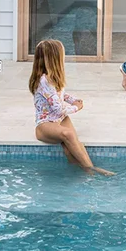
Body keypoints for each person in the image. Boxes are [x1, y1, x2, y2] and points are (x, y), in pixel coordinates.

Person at [29, 38, 114, 176]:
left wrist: (73, 100)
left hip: (59, 119)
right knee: (67, 135)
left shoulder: (53, 77)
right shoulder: (44, 80)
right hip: (45, 124)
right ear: (54, 59)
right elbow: (57, 108)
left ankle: (77, 172)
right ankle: (91, 170)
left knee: (72, 143)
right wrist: (76, 108)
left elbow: (60, 95)